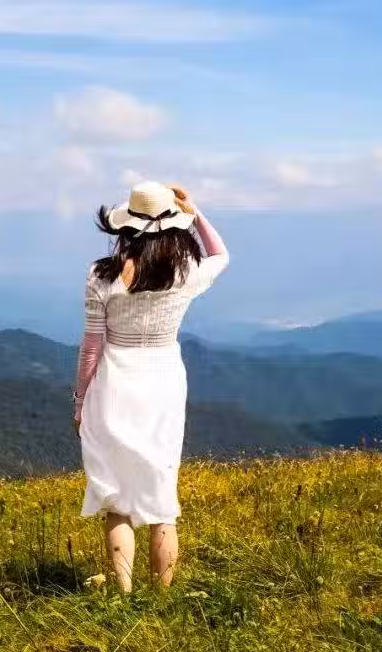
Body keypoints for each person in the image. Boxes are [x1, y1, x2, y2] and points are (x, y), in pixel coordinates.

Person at [72, 180, 229, 592]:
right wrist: (194, 212)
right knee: (162, 500)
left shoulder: (101, 275)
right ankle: (161, 600)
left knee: (115, 500)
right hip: (163, 382)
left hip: (113, 384)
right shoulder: (187, 273)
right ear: (173, 226)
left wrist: (79, 401)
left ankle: (122, 597)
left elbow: (91, 348)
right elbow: (220, 254)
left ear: (126, 226)